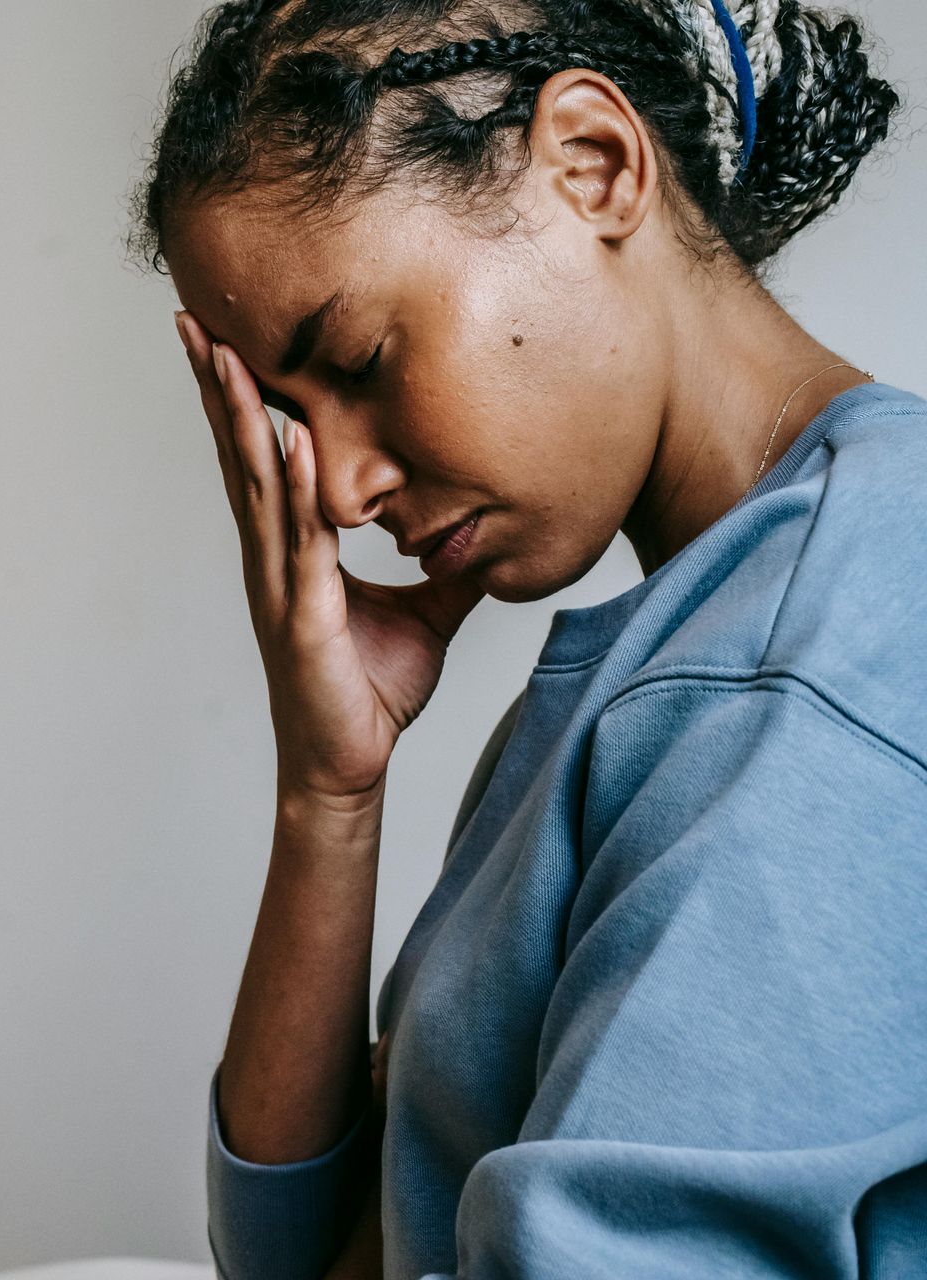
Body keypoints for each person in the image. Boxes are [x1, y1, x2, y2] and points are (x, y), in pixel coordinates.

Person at [133, 1, 924, 1276]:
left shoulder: (813, 653)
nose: (336, 491)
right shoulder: (676, 647)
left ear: (593, 168)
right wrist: (328, 792)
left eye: (359, 354)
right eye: (291, 414)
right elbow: (304, 1256)